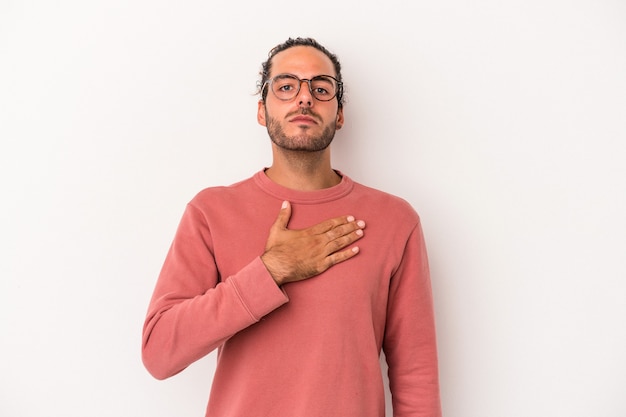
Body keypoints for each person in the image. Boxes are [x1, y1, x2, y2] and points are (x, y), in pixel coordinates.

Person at [142, 37, 442, 417]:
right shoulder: (211, 211)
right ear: (262, 111)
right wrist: (271, 270)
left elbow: (416, 377)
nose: (304, 98)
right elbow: (159, 352)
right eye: (286, 86)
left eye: (321, 88)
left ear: (340, 114)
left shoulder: (395, 220)